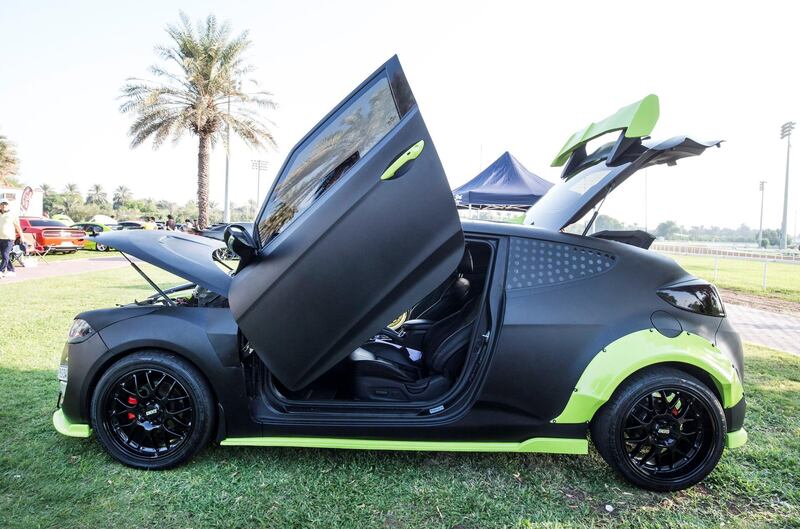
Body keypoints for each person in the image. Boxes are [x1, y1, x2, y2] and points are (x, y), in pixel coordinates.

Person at [0, 201, 23, 278]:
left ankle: (1, 271)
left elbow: (18, 227)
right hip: (0, 238)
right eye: (2, 205)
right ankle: (11, 270)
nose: (3, 206)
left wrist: (22, 236)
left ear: (8, 206)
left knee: (5, 254)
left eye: (5, 205)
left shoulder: (12, 215)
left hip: (9, 238)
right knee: (4, 256)